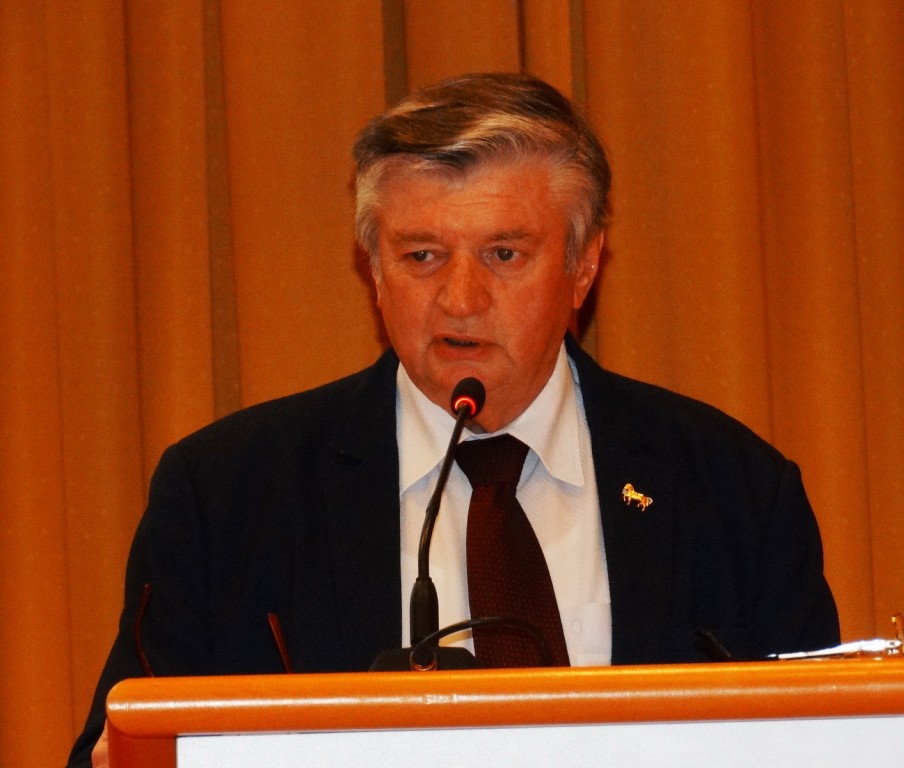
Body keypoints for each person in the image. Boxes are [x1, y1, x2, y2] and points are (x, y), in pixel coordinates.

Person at [67, 71, 839, 766]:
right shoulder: (228, 497)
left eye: (504, 254)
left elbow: (832, 743)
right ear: (373, 269)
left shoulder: (733, 491)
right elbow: (121, 744)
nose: (461, 300)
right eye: (422, 256)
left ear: (584, 265)